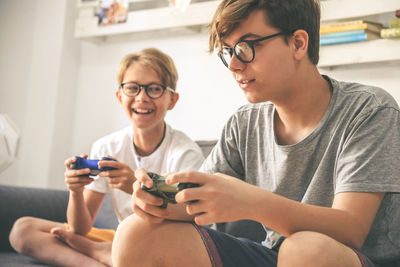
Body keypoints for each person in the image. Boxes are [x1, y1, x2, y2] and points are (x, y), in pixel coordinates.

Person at [111, 1, 400, 267]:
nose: (234, 65)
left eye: (246, 47)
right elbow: (192, 207)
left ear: (298, 43)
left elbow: (351, 229)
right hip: (273, 256)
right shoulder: (244, 123)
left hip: (352, 259)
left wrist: (251, 202)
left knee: (305, 250)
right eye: (228, 51)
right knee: (136, 231)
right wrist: (155, 202)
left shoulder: (369, 110)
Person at [9, 48, 204, 267]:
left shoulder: (184, 152)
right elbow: (80, 229)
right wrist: (75, 191)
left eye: (155, 89)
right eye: (132, 88)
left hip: (170, 243)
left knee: (139, 243)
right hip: (123, 239)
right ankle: (103, 260)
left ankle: (103, 253)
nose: (142, 97)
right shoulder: (107, 146)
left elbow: (190, 214)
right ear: (120, 96)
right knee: (23, 230)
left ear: (172, 100)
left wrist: (134, 185)